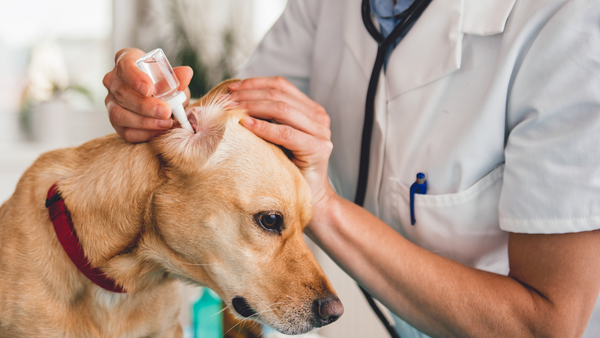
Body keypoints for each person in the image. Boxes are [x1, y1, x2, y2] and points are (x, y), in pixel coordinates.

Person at [103, 0, 600, 336]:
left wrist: (324, 206)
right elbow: (235, 128)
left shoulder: (567, 24)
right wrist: (150, 101)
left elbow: (546, 323)